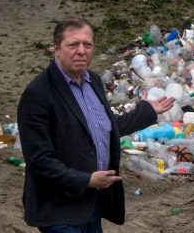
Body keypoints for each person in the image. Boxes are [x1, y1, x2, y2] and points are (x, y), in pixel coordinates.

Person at [17, 16, 175, 232]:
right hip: (59, 211)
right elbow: (39, 160)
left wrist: (146, 111)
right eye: (73, 44)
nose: (81, 50)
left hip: (92, 204)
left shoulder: (93, 81)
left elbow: (104, 127)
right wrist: (85, 180)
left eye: (87, 44)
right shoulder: (38, 93)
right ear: (56, 49)